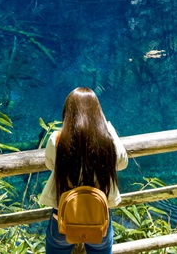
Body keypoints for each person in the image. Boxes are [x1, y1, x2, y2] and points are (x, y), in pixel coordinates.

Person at [39, 87, 129, 254]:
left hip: (63, 215)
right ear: (98, 113)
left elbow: (51, 165)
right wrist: (110, 129)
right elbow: (122, 162)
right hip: (98, 217)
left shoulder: (57, 139)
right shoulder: (107, 140)